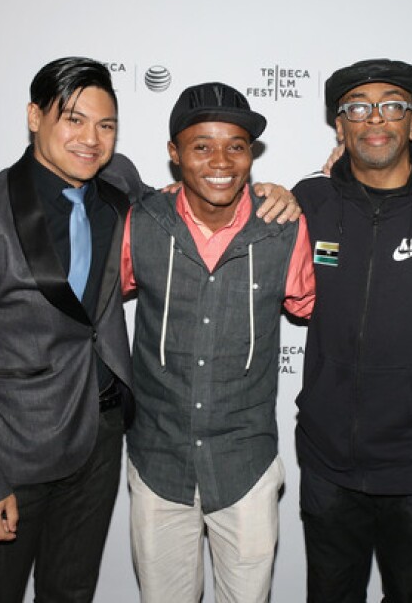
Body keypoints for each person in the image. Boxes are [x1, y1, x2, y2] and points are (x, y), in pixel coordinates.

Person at [0, 57, 138, 602]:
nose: (91, 139)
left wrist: (281, 193)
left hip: (99, 437)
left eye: (106, 125)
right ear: (34, 116)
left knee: (70, 592)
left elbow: (192, 204)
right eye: (73, 119)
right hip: (15, 449)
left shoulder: (118, 187)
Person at [293, 59, 412, 602]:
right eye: (357, 107)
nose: (374, 119)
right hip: (329, 462)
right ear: (340, 126)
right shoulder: (309, 202)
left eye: (392, 105)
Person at [122, 81, 315, 603]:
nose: (221, 160)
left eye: (236, 145)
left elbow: (313, 304)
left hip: (244, 464)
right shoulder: (140, 222)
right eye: (201, 145)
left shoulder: (284, 227)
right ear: (173, 154)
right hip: (157, 460)